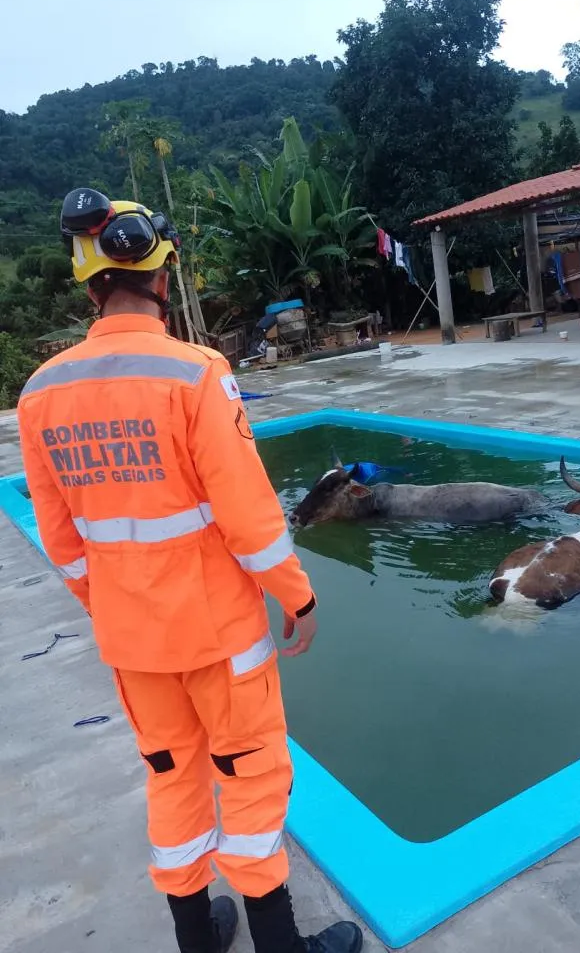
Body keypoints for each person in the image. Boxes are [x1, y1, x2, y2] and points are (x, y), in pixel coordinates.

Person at [17, 189, 363, 953]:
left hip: (131, 643)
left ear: (89, 281)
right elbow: (248, 516)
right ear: (162, 275)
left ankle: (198, 935)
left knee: (172, 776)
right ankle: (279, 944)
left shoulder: (39, 396)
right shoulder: (196, 374)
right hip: (220, 637)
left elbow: (63, 542)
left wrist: (112, 602)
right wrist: (297, 598)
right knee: (250, 778)